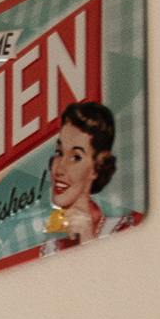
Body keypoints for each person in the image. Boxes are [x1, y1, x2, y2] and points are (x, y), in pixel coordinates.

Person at [39, 100, 132, 249]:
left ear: (97, 167)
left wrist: (87, 238)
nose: (59, 169)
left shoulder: (120, 229)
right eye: (59, 152)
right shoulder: (47, 241)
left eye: (76, 157)